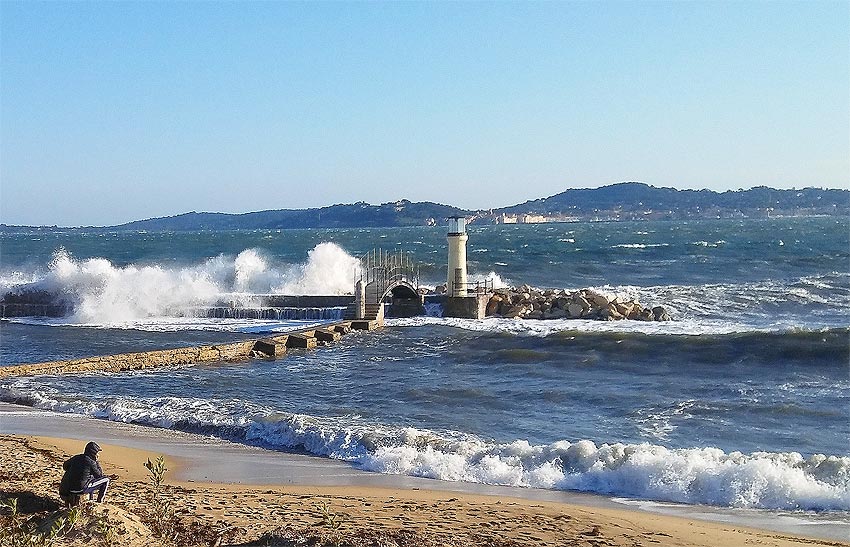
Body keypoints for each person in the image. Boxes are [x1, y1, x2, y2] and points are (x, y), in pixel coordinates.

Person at [58, 441, 111, 506]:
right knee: (106, 480)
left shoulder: (77, 457)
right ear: (93, 453)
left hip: (70, 488)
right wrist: (96, 462)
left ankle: (90, 499)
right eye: (97, 453)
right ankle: (100, 501)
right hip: (81, 489)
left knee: (90, 478)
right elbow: (99, 476)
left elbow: (65, 466)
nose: (98, 454)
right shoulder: (91, 461)